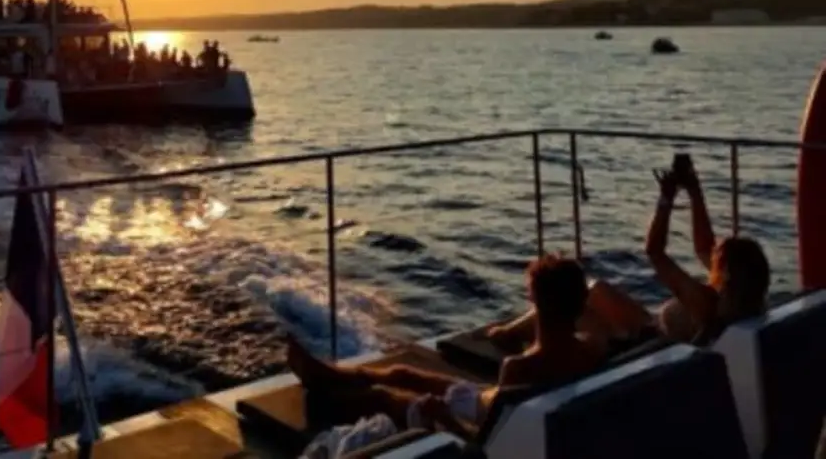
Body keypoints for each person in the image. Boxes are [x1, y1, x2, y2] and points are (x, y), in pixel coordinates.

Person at [287, 254, 602, 432]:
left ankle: (325, 400)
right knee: (403, 374)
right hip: (484, 399)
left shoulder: (519, 367)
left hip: (469, 418)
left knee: (383, 396)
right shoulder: (590, 349)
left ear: (539, 304)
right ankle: (330, 375)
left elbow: (485, 444)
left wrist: (442, 416)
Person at [488, 154, 771, 351]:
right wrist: (694, 192)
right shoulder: (747, 303)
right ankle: (514, 332)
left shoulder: (706, 303)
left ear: (727, 272)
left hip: (647, 347)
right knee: (596, 288)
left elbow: (655, 251)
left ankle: (512, 336)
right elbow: (703, 246)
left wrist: (666, 197)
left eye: (717, 255)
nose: (711, 252)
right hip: (652, 327)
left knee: (575, 309)